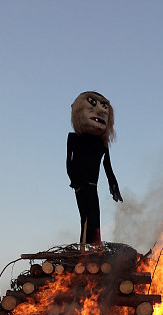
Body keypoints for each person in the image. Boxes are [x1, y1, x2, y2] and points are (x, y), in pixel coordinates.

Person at [67, 90, 123, 244]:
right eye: (91, 107)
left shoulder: (101, 144)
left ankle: (95, 245)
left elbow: (107, 166)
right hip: (81, 184)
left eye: (104, 108)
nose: (99, 111)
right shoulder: (74, 139)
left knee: (95, 215)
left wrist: (114, 186)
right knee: (85, 215)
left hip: (93, 185)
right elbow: (69, 161)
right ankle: (84, 247)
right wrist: (73, 179)